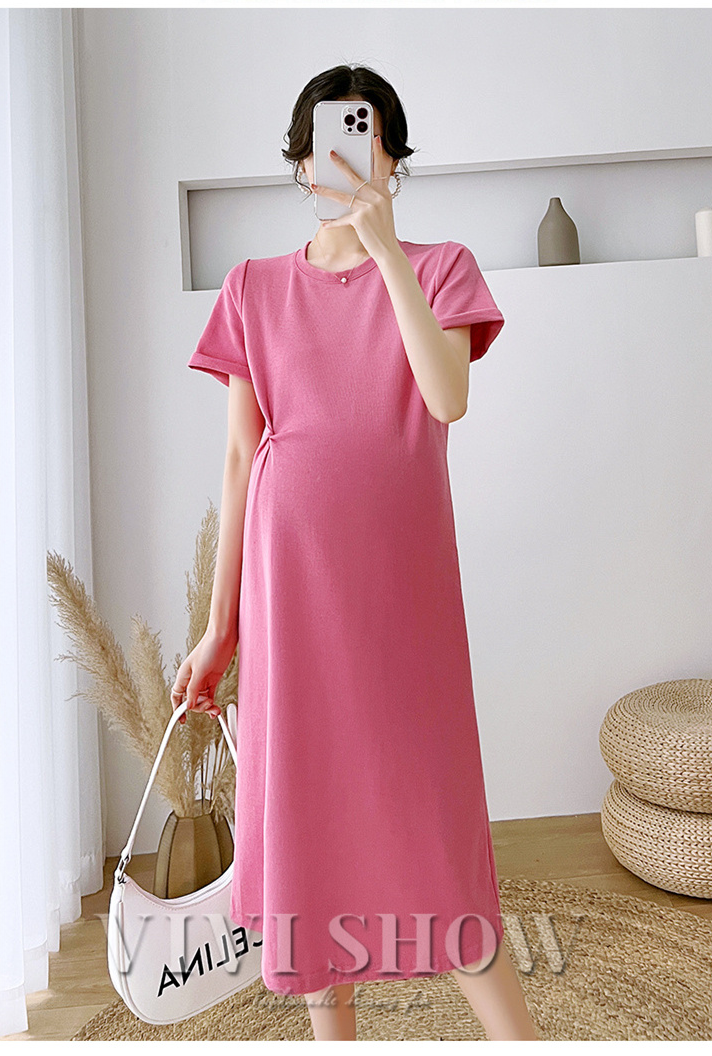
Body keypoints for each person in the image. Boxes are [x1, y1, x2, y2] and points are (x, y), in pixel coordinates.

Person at [171, 64, 538, 1042]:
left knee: (434, 823)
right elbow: (242, 457)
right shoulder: (251, 288)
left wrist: (384, 253)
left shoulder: (441, 266)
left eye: (368, 138)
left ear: (394, 159)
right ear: (302, 162)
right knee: (309, 822)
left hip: (400, 589)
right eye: (330, 140)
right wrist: (218, 628)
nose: (348, 156)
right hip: (291, 585)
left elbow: (446, 398)